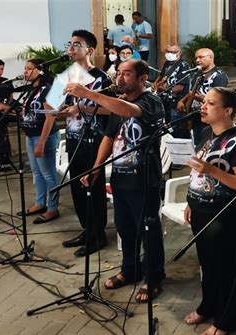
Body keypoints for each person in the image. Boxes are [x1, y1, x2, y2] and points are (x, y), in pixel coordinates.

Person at [65, 59, 166, 303]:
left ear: (142, 79)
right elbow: (109, 138)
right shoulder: (118, 104)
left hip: (144, 180)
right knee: (125, 228)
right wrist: (97, 168)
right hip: (121, 178)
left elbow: (129, 111)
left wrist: (87, 94)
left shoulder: (150, 101)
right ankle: (130, 270)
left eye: (127, 74)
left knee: (148, 231)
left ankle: (153, 277)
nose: (119, 78)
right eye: (118, 73)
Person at [183, 87, 236, 335]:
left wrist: (211, 170)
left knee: (224, 265)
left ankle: (229, 317)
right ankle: (209, 305)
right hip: (202, 207)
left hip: (224, 213)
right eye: (204, 102)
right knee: (207, 263)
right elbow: (197, 172)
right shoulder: (205, 133)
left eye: (210, 103)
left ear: (227, 111)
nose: (203, 106)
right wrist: (192, 200)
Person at [58, 30, 111, 257]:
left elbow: (110, 109)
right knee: (77, 189)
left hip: (93, 140)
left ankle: (97, 235)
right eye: (69, 44)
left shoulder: (101, 78)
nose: (71, 48)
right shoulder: (68, 76)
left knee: (92, 189)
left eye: (76, 44)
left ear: (89, 50)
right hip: (73, 139)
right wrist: (59, 111)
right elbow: (62, 103)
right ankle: (86, 230)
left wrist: (82, 108)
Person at [0, 59, 61, 224]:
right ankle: (40, 203)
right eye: (25, 68)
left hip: (43, 136)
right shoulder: (32, 89)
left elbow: (50, 117)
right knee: (37, 172)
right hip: (31, 135)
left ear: (40, 71)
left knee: (48, 173)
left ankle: (52, 208)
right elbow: (27, 113)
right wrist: (4, 108)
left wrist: (42, 142)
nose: (25, 72)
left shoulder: (47, 89)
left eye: (29, 68)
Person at [177, 48, 229, 145]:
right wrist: (182, 100)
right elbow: (192, 92)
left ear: (211, 58)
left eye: (201, 57)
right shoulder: (198, 74)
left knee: (207, 145)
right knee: (197, 144)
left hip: (210, 118)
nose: (197, 60)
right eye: (196, 58)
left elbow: (219, 100)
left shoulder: (219, 76)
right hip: (196, 116)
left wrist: (201, 98)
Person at [152, 43, 190, 138]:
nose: (170, 54)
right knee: (168, 129)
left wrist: (163, 88)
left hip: (176, 102)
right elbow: (162, 75)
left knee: (177, 130)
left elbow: (181, 87)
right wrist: (155, 83)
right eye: (168, 51)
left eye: (173, 52)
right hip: (165, 102)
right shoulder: (167, 63)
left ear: (179, 53)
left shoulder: (183, 66)